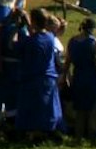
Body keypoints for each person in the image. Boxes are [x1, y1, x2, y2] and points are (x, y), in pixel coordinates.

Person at [13, 10, 64, 142]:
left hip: (32, 78)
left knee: (32, 109)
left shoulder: (30, 41)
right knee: (48, 108)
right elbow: (37, 33)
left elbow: (13, 46)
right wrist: (29, 24)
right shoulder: (50, 37)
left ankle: (34, 133)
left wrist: (18, 29)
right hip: (49, 78)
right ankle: (51, 131)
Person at [62, 17, 96, 143]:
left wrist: (65, 76)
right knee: (92, 111)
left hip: (78, 77)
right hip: (91, 78)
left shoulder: (72, 41)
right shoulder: (94, 42)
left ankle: (78, 138)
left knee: (80, 112)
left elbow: (68, 61)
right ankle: (92, 139)